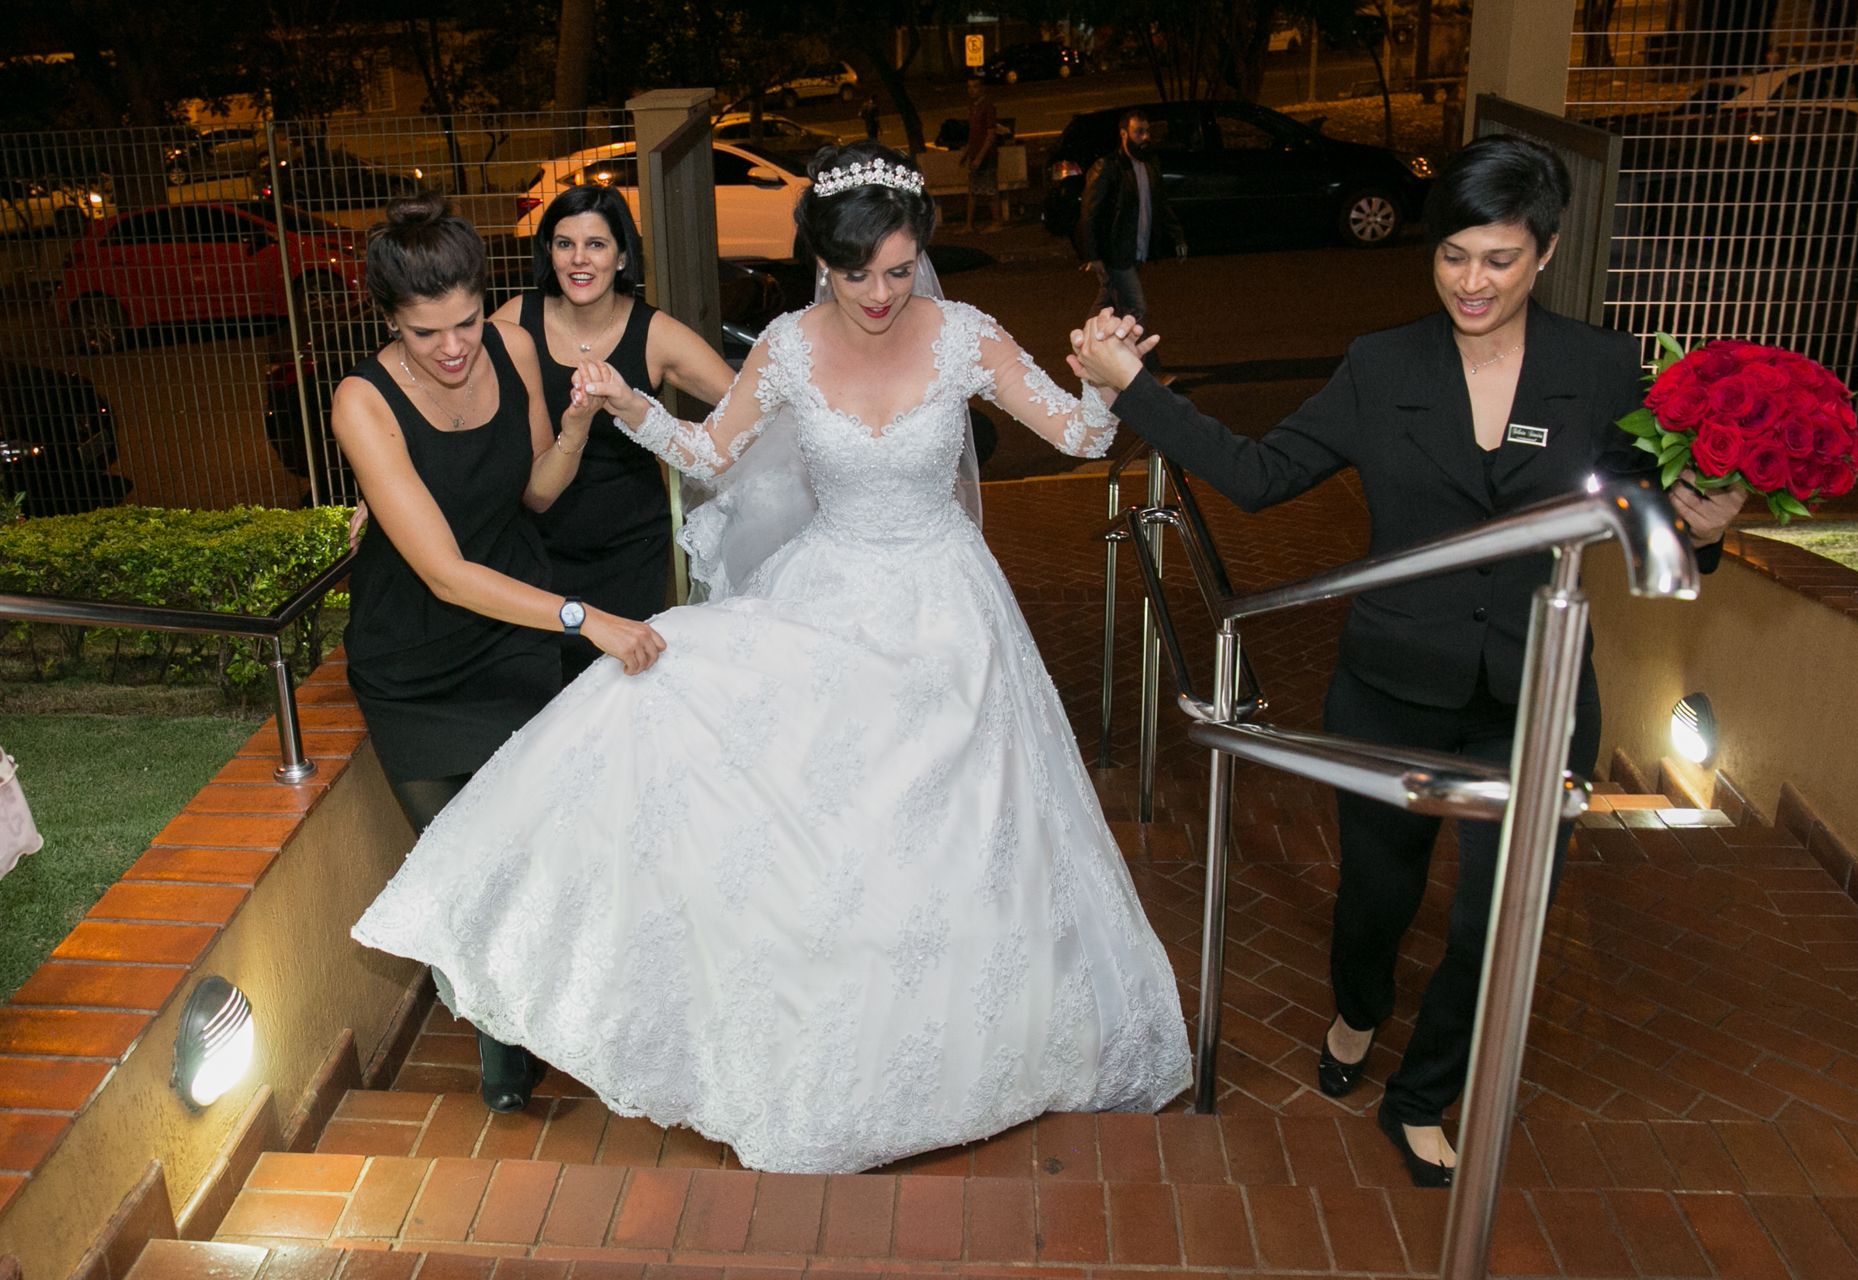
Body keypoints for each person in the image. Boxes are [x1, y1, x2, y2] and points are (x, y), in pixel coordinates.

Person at [351, 142, 1191, 1174]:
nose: (880, 294)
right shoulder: (789, 347)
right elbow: (711, 452)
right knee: (790, 803)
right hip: (826, 604)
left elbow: (1079, 438)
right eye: (856, 273)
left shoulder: (967, 335)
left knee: (962, 833)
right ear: (820, 265)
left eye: (898, 270)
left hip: (949, 623)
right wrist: (629, 407)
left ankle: (980, 1037)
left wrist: (1105, 387)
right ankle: (835, 1034)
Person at [1070, 135, 1747, 1187]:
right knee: (1375, 900)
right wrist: (1134, 389)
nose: (1473, 282)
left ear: (1546, 253)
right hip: (1391, 687)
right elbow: (1259, 474)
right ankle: (1359, 1005)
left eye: (1500, 259)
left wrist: (1703, 529)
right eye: (1453, 256)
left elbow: (1646, 520)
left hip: (1536, 692)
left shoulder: (1603, 370)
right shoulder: (1383, 366)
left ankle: (1423, 1093)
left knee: (1502, 917)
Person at [332, 192, 664, 1114]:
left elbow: (539, 494)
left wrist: (578, 426)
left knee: (537, 846)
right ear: (389, 322)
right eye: (426, 331)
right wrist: (586, 618)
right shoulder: (362, 400)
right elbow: (442, 573)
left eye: (466, 320)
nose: (453, 347)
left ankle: (537, 1013)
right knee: (464, 859)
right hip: (416, 661)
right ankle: (498, 1032)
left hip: (516, 636)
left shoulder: (514, 348)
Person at [493, 185, 735, 680]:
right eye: (565, 244)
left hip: (627, 547)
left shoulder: (655, 333)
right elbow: (451, 400)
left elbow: (744, 405)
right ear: (549, 252)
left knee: (616, 686)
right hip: (533, 539)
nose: (579, 259)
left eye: (596, 245)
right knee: (542, 686)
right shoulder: (517, 319)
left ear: (622, 256)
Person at [1075, 109, 1185, 375]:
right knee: (1136, 308)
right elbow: (1089, 214)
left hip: (1137, 251)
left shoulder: (1149, 164)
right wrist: (1093, 255)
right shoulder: (1108, 167)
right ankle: (1148, 372)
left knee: (1106, 305)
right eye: (1139, 132)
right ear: (1124, 134)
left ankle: (1085, 352)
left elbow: (1160, 204)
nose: (1145, 137)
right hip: (1115, 254)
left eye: (1147, 131)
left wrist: (1177, 235)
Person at [960, 76, 1001, 233]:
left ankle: (997, 222)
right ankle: (969, 224)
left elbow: (990, 135)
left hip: (986, 156)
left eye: (975, 86)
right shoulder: (972, 107)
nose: (972, 90)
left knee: (990, 189)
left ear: (982, 88)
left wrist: (979, 157)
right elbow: (973, 133)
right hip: (975, 154)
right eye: (969, 87)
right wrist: (967, 153)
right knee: (973, 190)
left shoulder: (988, 107)